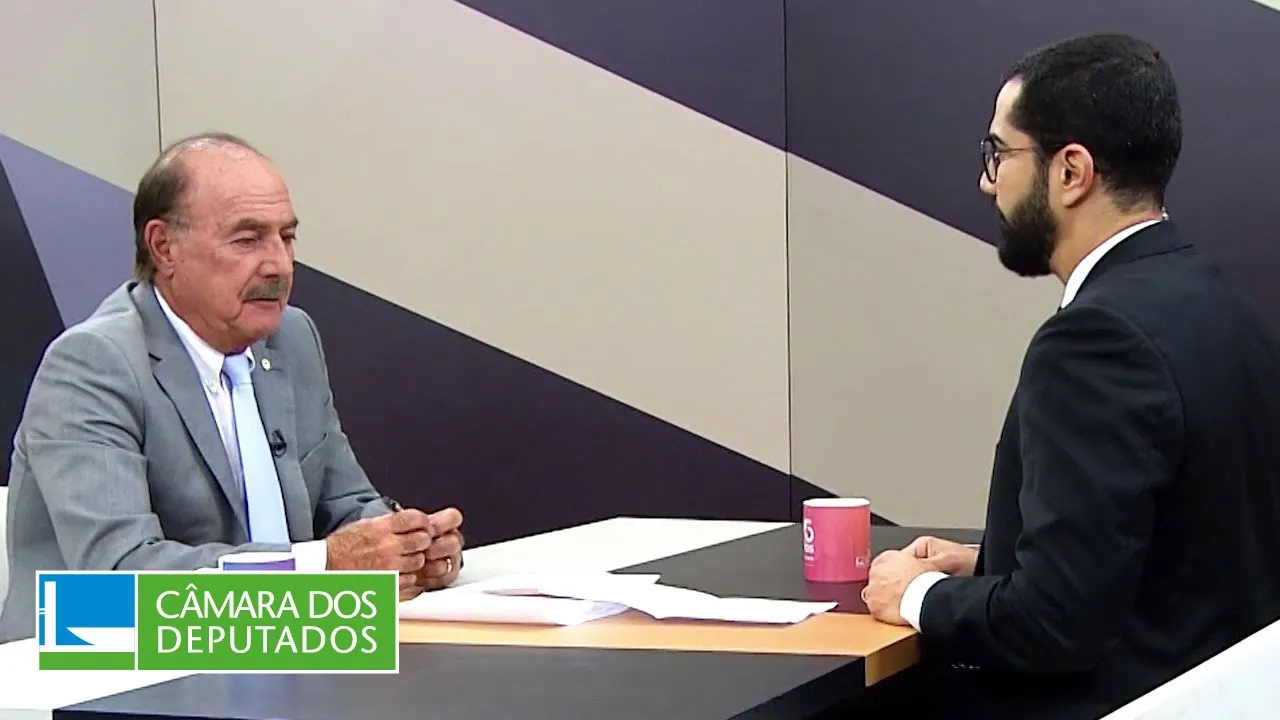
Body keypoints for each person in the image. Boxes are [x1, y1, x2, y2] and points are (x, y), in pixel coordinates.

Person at [862, 33, 1280, 719]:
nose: (987, 181)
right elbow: (1177, 554)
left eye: (999, 154)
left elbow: (1055, 624)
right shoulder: (1220, 304)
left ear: (1071, 171)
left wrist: (915, 594)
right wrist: (991, 565)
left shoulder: (1096, 340)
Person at [0, 133, 464, 643]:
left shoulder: (291, 339)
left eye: (286, 237)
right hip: (95, 652)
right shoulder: (94, 365)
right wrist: (323, 566)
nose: (279, 265)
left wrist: (406, 545)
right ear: (164, 247)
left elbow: (347, 502)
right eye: (247, 240)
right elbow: (120, 576)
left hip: (272, 641)